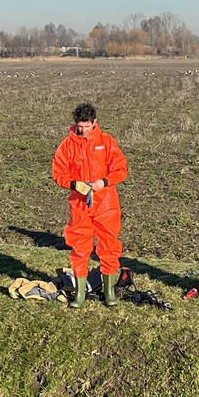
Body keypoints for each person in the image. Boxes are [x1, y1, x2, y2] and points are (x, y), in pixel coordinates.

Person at [51, 103, 128, 308]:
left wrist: (103, 182)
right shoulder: (67, 145)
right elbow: (58, 173)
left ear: (95, 123)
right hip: (80, 204)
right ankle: (79, 294)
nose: (82, 130)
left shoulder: (107, 142)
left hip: (106, 203)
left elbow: (120, 169)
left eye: (86, 126)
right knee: (79, 247)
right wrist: (74, 184)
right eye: (79, 126)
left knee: (109, 246)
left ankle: (109, 291)